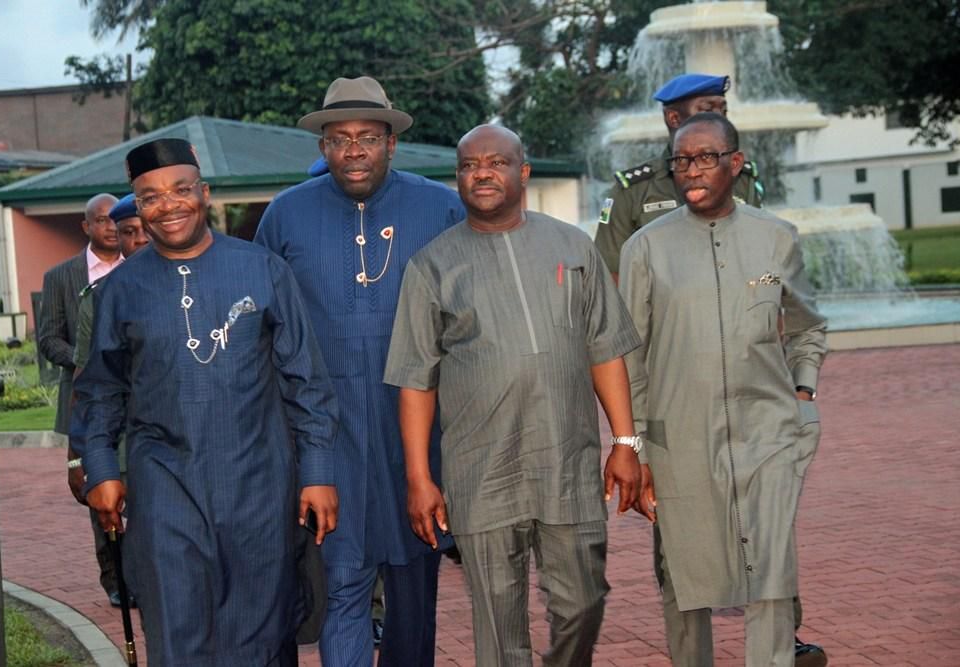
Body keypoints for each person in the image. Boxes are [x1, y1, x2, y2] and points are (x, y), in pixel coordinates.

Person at [384, 124, 652, 667]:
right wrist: (419, 477)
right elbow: (416, 380)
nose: (481, 172)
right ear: (458, 177)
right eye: (468, 165)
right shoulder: (431, 267)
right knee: (499, 625)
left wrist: (625, 442)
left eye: (496, 162)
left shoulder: (572, 246)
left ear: (522, 172)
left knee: (583, 603)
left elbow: (605, 350)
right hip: (480, 472)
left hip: (567, 463)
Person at [74, 138, 339, 666]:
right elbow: (100, 389)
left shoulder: (264, 271)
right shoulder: (121, 290)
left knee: (260, 638)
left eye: (180, 190)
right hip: (164, 488)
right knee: (176, 636)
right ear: (139, 207)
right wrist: (101, 466)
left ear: (205, 193)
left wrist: (318, 471)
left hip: (259, 485)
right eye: (150, 197)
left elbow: (305, 382)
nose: (168, 205)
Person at [254, 75, 465, 667]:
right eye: (340, 138)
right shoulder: (286, 216)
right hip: (329, 434)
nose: (354, 150)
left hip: (419, 433)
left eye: (368, 137)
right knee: (342, 583)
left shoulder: (437, 206)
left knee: (414, 590)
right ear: (322, 146)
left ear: (390, 144)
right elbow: (265, 331)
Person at [618, 113, 827, 667]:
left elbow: (807, 324)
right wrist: (636, 445)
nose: (691, 169)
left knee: (772, 568)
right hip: (678, 438)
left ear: (735, 163)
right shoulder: (644, 249)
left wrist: (803, 392)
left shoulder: (776, 238)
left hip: (771, 434)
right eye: (681, 159)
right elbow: (629, 354)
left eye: (705, 157)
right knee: (685, 576)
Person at [593, 73, 763, 280]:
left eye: (723, 110)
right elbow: (611, 272)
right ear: (674, 118)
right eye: (707, 110)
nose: (719, 119)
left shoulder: (742, 180)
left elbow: (758, 258)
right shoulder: (633, 189)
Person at [38, 191, 121, 605]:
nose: (110, 228)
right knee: (99, 487)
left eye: (115, 220)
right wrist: (85, 359)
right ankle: (114, 579)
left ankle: (140, 570)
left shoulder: (139, 265)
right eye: (101, 221)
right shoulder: (62, 277)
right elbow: (48, 337)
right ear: (86, 227)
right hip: (85, 401)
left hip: (133, 400)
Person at [66, 193, 149, 607]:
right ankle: (120, 581)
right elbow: (85, 381)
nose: (139, 240)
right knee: (114, 510)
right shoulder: (98, 298)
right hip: (116, 433)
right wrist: (75, 457)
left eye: (143, 230)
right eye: (128, 233)